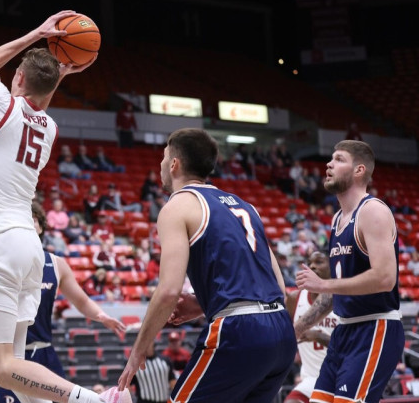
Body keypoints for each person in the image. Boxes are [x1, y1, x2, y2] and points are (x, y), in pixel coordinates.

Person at [0, 6, 115, 403]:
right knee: (16, 370)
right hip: (30, 248)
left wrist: (37, 32)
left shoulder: (2, 106)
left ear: (19, 78)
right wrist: (60, 71)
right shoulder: (49, 128)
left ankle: (96, 400)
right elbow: (39, 103)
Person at [116, 128, 296, 402]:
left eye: (164, 157)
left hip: (239, 332)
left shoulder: (179, 206)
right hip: (281, 331)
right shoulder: (245, 205)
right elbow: (278, 286)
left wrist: (139, 349)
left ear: (174, 163)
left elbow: (168, 291)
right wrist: (203, 304)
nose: (162, 164)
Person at [294, 140, 404, 403]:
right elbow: (338, 290)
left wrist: (324, 284)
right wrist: (296, 329)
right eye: (331, 158)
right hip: (344, 331)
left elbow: (385, 278)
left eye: (339, 159)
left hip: (375, 327)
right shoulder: (336, 219)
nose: (329, 164)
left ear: (359, 170)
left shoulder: (373, 211)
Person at [0, 204, 126, 403]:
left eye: (34, 219)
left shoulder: (56, 264)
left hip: (44, 351)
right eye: (23, 218)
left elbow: (81, 300)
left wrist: (101, 316)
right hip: (11, 354)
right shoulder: (2, 260)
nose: (29, 222)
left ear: (41, 227)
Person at [283, 251, 338, 403]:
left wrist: (317, 336)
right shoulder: (294, 298)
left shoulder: (343, 299)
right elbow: (287, 338)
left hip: (339, 377)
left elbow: (350, 348)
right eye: (309, 262)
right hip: (310, 378)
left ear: (332, 266)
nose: (312, 266)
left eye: (319, 262)